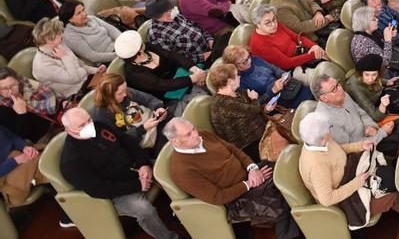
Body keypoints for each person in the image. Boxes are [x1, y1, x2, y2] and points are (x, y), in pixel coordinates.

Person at [163, 118, 299, 239]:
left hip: (248, 175)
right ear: (175, 141)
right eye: (189, 134)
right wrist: (248, 184)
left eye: (193, 128)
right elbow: (217, 197)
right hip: (235, 198)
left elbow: (233, 149)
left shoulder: (203, 135)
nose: (196, 134)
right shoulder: (182, 170)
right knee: (281, 193)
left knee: (286, 172)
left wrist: (252, 168)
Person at [59, 107, 177, 239]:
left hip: (136, 170)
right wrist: (138, 185)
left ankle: (181, 213)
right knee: (144, 210)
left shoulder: (99, 126)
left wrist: (143, 164)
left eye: (89, 120)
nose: (89, 125)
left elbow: (128, 141)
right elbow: (97, 189)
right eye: (82, 125)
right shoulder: (72, 160)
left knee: (171, 168)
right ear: (68, 130)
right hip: (117, 191)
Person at [295, 112, 399, 229]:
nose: (330, 130)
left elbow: (338, 150)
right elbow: (327, 199)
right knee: (394, 195)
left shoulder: (318, 141)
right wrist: (357, 183)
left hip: (351, 173)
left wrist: (360, 146)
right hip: (345, 199)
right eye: (329, 128)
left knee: (389, 173)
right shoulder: (316, 165)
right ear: (323, 139)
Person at [314, 73, 399, 158]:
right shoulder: (326, 121)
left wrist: (371, 126)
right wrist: (382, 133)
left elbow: (361, 113)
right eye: (334, 89)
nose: (340, 89)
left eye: (338, 84)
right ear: (324, 98)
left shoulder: (343, 95)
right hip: (362, 149)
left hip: (371, 133)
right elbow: (352, 147)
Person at [208, 63, 275, 161]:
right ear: (230, 81)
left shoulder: (236, 92)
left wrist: (265, 109)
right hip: (250, 144)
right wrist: (254, 99)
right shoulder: (222, 104)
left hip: (261, 131)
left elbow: (250, 110)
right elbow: (253, 109)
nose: (239, 77)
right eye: (237, 75)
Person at [248, 4, 328, 78]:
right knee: (325, 71)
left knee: (329, 54)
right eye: (268, 23)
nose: (273, 24)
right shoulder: (260, 43)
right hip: (291, 69)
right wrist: (313, 55)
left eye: (274, 19)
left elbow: (297, 37)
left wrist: (314, 46)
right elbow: (286, 63)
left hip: (301, 53)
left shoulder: (276, 26)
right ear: (258, 24)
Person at [32, 17, 102, 99]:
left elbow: (79, 63)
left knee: (113, 78)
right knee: (111, 87)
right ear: (48, 40)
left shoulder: (59, 44)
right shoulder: (42, 65)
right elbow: (74, 78)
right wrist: (65, 57)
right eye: (59, 33)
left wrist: (95, 70)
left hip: (87, 80)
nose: (62, 34)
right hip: (77, 93)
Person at [58, 0, 119, 65]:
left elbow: (112, 30)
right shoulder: (70, 36)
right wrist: (118, 55)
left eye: (83, 10)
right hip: (107, 60)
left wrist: (124, 41)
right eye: (78, 13)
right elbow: (93, 57)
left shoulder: (91, 18)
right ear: (70, 19)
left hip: (118, 47)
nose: (84, 14)